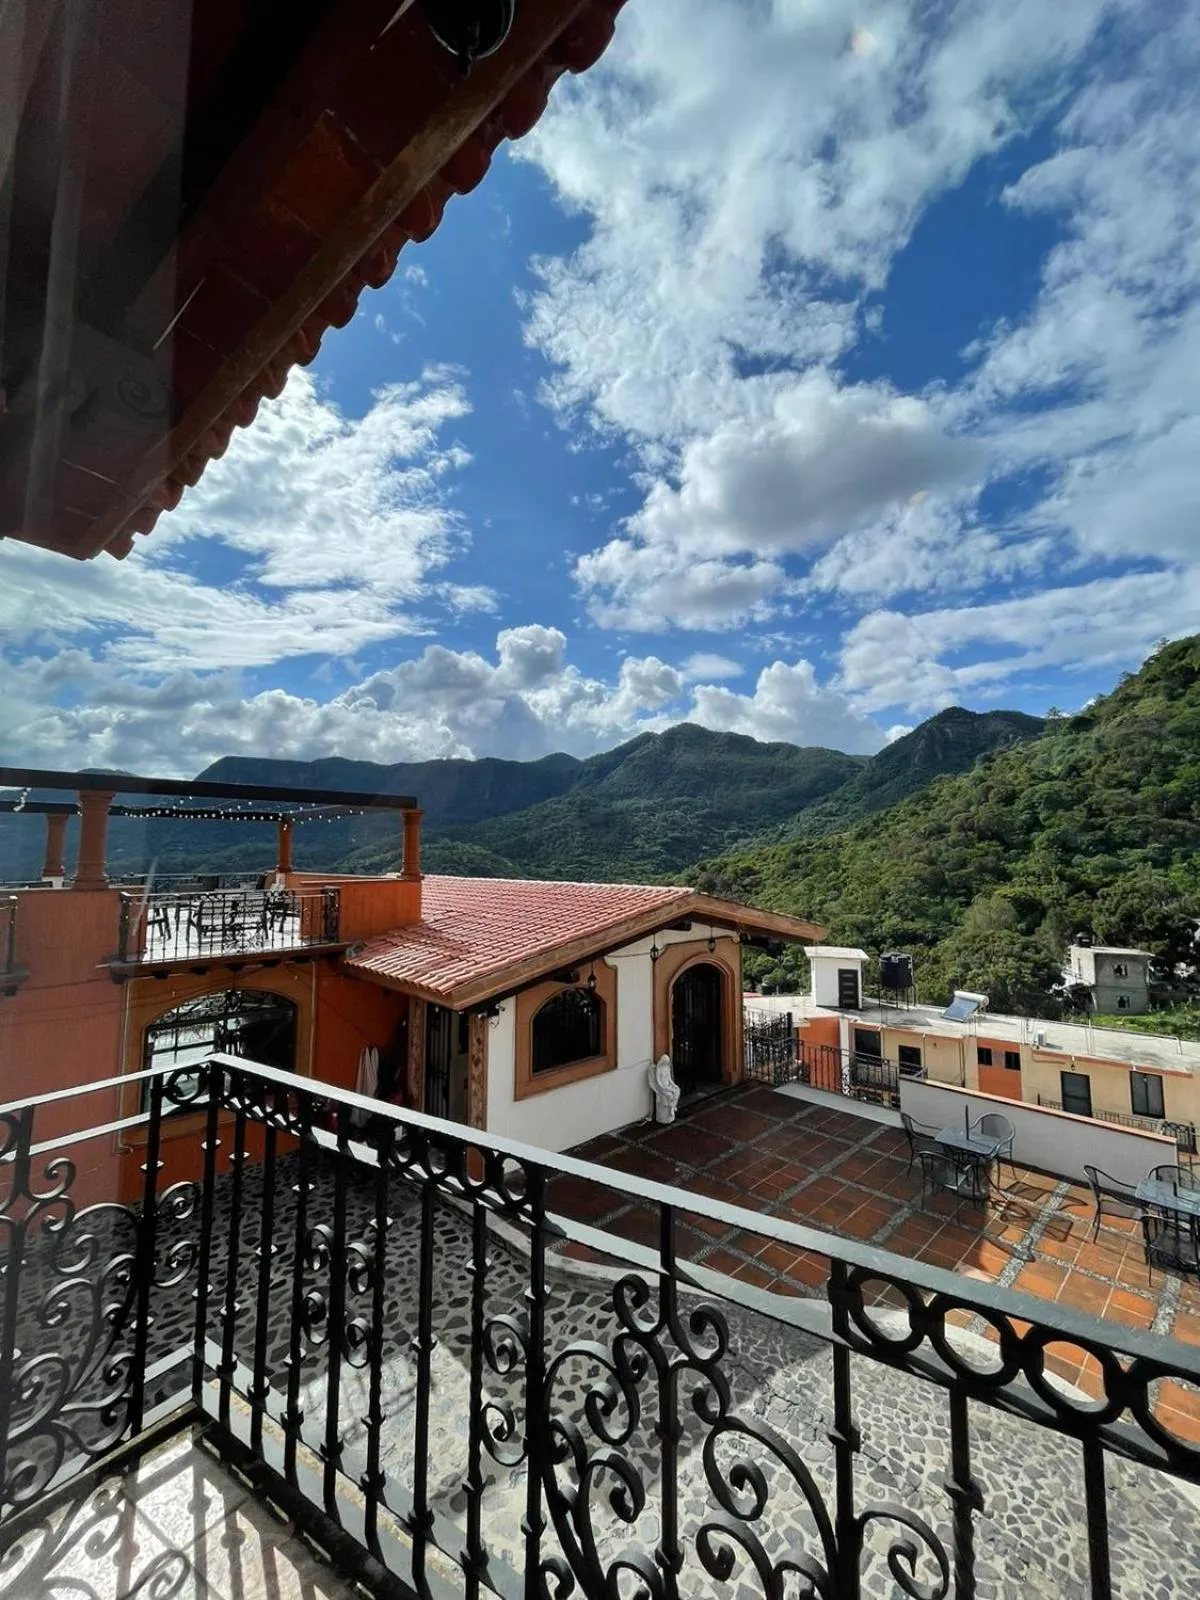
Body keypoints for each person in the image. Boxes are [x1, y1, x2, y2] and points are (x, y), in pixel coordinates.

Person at [648, 1054, 681, 1123]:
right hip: (662, 1087)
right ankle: (670, 1109)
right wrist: (664, 1088)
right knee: (670, 1095)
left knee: (677, 1090)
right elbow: (658, 1081)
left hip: (668, 1085)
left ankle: (672, 1106)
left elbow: (669, 1079)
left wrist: (674, 1085)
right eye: (665, 1061)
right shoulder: (659, 1069)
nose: (666, 1062)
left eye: (667, 1061)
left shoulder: (667, 1068)